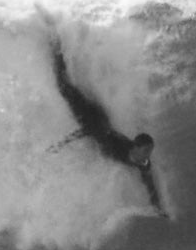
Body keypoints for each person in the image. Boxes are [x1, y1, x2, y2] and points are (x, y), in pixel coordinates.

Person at [47, 32, 167, 216]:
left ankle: (62, 49)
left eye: (149, 151)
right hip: (91, 117)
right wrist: (62, 143)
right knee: (64, 87)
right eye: (146, 150)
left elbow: (149, 185)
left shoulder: (142, 163)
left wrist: (157, 206)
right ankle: (56, 45)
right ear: (136, 147)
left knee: (72, 87)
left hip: (101, 121)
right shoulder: (117, 145)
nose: (148, 155)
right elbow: (87, 130)